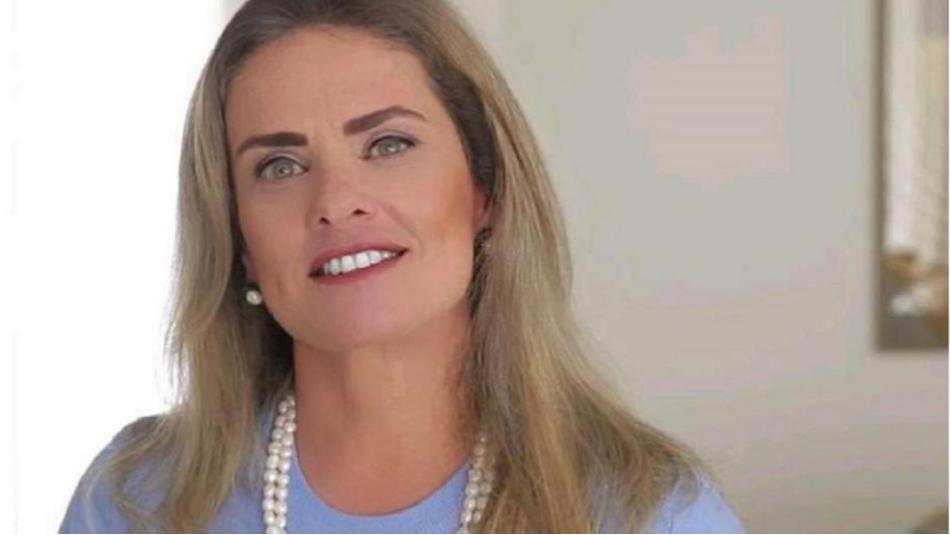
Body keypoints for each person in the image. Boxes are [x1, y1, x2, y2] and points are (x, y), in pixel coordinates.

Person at [59, 0, 745, 532]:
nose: (336, 202)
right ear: (238, 238)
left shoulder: (649, 513)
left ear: (485, 188)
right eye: (280, 166)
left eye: (388, 144)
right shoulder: (132, 501)